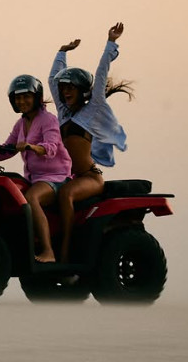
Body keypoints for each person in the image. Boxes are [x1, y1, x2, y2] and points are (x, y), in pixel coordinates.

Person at [49, 22, 133, 263]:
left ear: (82, 90)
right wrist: (61, 52)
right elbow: (52, 80)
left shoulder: (93, 109)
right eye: (64, 88)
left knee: (66, 195)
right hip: (68, 176)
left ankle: (65, 252)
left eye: (71, 88)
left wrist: (111, 42)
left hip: (89, 177)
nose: (66, 92)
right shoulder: (64, 113)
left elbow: (101, 73)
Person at [0, 74, 72, 262]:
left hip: (56, 178)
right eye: (18, 98)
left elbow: (51, 148)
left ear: (36, 97)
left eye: (26, 96)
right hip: (33, 179)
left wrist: (32, 147)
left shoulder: (49, 120)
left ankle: (48, 251)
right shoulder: (20, 124)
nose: (21, 101)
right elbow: (7, 150)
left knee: (31, 198)